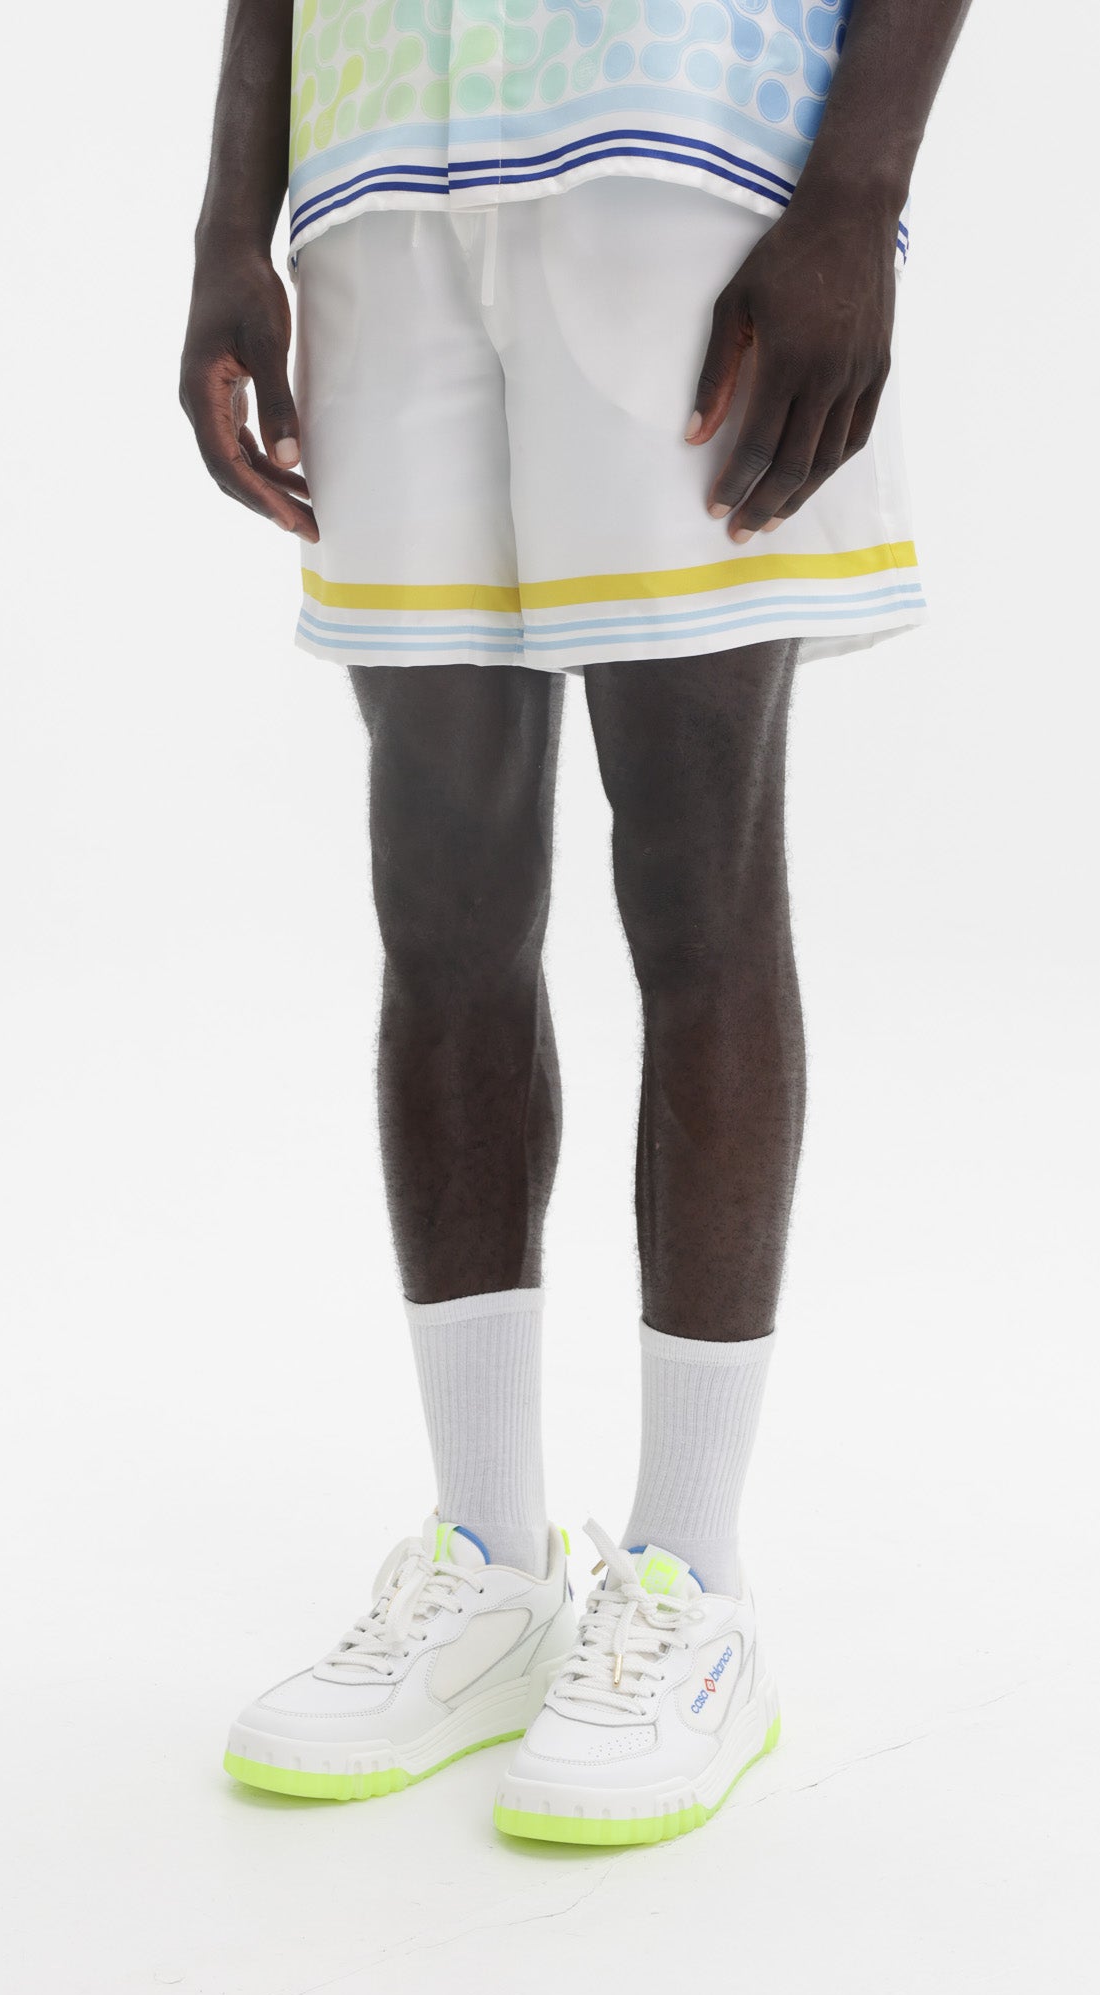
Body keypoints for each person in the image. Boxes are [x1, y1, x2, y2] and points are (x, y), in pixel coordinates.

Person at [181, 0, 972, 1846]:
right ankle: (488, 1563)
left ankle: (689, 1584)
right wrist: (229, 224)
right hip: (377, 177)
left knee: (695, 881)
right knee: (438, 896)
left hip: (678, 144)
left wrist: (854, 190)